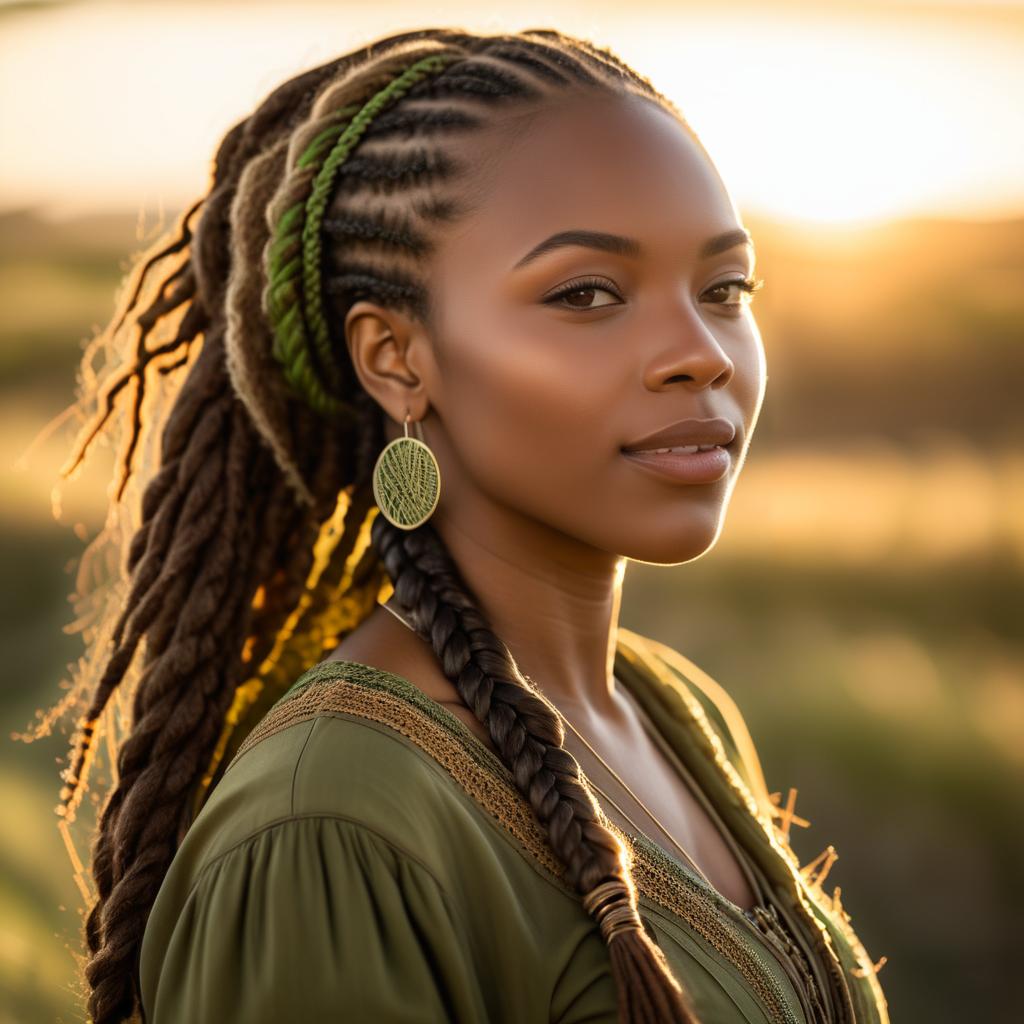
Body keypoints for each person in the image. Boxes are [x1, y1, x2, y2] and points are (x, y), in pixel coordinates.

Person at [54, 26, 890, 1024]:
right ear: (397, 360)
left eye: (724, 289)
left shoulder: (677, 712)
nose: (699, 353)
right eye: (587, 293)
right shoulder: (331, 823)